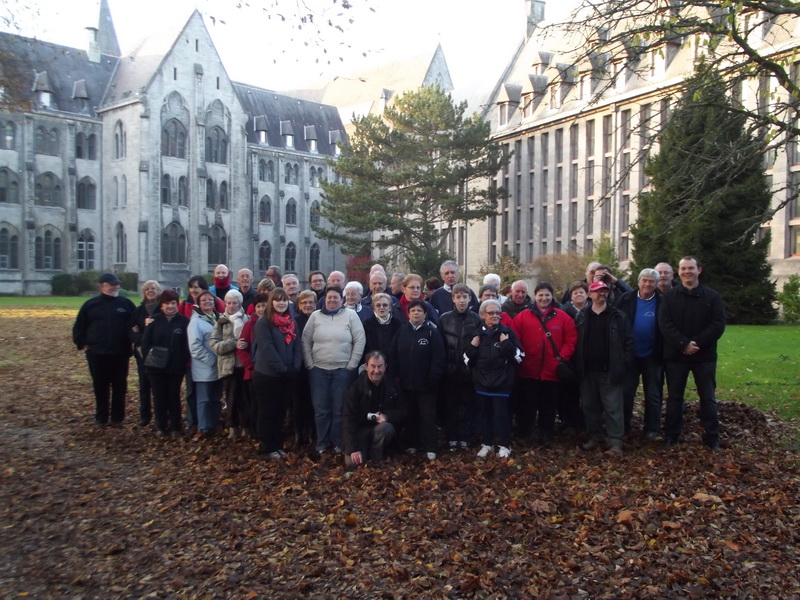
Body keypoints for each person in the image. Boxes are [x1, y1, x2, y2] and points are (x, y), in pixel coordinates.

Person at [658, 256, 726, 450]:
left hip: (704, 356)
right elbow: (665, 323)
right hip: (676, 355)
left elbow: (718, 324)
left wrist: (696, 343)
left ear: (699, 270)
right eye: (683, 268)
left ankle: (712, 436)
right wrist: (683, 343)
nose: (687, 271)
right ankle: (671, 435)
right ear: (678, 272)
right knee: (674, 398)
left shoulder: (712, 296)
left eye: (691, 268)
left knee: (708, 398)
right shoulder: (670, 297)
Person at [302, 286, 366, 455]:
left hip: (342, 371)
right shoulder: (315, 317)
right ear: (325, 299)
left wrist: (351, 365)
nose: (332, 301)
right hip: (319, 371)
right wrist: (310, 364)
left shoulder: (350, 316)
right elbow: (305, 341)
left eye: (336, 298)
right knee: (321, 409)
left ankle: (338, 442)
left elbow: (360, 340)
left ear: (341, 299)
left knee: (339, 409)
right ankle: (322, 442)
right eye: (329, 297)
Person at [511, 281, 577, 445]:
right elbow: (515, 338)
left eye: (547, 295)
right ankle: (525, 434)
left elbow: (571, 339)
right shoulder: (523, 316)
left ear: (552, 296)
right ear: (535, 296)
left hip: (552, 370)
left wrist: (561, 357)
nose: (544, 298)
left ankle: (547, 435)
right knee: (527, 405)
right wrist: (521, 356)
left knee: (548, 406)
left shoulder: (563, 317)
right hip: (528, 369)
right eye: (541, 295)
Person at [573, 281, 634, 455]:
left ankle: (615, 442)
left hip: (610, 370)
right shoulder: (582, 316)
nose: (602, 294)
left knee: (613, 407)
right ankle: (595, 436)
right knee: (589, 406)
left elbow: (629, 342)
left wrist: (624, 363)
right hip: (587, 371)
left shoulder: (618, 316)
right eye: (598, 291)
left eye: (604, 291)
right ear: (590, 294)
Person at [72, 273, 136, 428]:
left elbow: (135, 324)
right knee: (100, 386)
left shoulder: (126, 304)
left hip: (120, 353)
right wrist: (82, 344)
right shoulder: (90, 305)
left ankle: (117, 418)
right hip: (97, 353)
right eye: (112, 284)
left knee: (120, 386)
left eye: (117, 284)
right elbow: (79, 327)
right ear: (101, 286)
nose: (116, 286)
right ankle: (101, 418)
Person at [465, 299, 524, 459]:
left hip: (502, 384)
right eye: (491, 313)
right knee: (484, 415)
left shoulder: (507, 333)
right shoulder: (476, 334)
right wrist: (473, 347)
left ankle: (504, 445)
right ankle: (487, 444)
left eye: (498, 312)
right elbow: (467, 360)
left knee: (501, 416)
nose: (495, 315)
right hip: (482, 383)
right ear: (483, 315)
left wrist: (506, 344)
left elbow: (519, 358)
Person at [388, 299, 445, 460]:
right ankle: (413, 444)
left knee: (427, 416)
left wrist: (433, 377)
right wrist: (395, 376)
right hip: (405, 384)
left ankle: (430, 447)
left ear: (425, 314)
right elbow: (392, 355)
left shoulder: (431, 332)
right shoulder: (402, 331)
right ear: (408, 314)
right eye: (413, 311)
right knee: (410, 415)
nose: (416, 313)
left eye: (419, 311)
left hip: (427, 385)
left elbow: (439, 358)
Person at [253, 288, 303, 459]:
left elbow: (297, 346)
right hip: (267, 376)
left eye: (284, 300)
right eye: (277, 300)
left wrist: (295, 367)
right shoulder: (263, 323)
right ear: (271, 302)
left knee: (281, 411)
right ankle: (267, 445)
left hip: (287, 375)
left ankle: (277, 443)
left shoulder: (292, 322)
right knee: (268, 411)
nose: (281, 303)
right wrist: (284, 369)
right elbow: (268, 349)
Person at [615, 268, 664, 438]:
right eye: (645, 280)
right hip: (630, 355)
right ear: (639, 281)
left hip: (653, 354)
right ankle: (624, 427)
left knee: (653, 394)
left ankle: (652, 428)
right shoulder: (626, 299)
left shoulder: (662, 301)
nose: (647, 284)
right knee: (626, 392)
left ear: (657, 284)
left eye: (652, 281)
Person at [343, 351, 408, 469]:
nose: (376, 371)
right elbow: (348, 419)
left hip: (380, 431)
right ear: (366, 367)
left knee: (386, 427)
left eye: (380, 366)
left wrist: (387, 416)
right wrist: (353, 449)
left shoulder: (392, 385)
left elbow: (404, 410)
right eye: (373, 366)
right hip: (360, 431)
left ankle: (376, 456)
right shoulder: (356, 387)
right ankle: (364, 452)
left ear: (385, 367)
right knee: (352, 464)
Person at [140, 289, 190, 437]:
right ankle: (161, 425)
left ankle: (175, 426)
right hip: (155, 367)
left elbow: (188, 345)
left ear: (177, 304)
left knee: (173, 396)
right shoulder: (153, 321)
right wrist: (151, 357)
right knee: (159, 396)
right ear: (161, 305)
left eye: (173, 303)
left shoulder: (184, 322)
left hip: (175, 367)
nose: (170, 306)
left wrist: (182, 359)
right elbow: (145, 343)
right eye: (167, 303)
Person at [439, 283, 482, 450]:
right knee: (450, 404)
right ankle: (452, 437)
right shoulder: (444, 319)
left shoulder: (476, 319)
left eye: (465, 297)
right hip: (449, 370)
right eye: (458, 297)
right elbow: (441, 345)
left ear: (470, 299)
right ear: (453, 299)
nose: (461, 300)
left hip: (468, 370)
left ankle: (464, 436)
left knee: (466, 404)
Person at [210, 289, 249, 440]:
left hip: (244, 366)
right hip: (228, 366)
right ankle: (232, 426)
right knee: (231, 399)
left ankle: (246, 425)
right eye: (229, 303)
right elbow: (215, 345)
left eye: (235, 303)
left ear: (240, 303)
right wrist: (234, 343)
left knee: (245, 398)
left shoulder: (246, 319)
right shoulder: (221, 322)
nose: (232, 306)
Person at [187, 290, 223, 441]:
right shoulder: (196, 321)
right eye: (204, 301)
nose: (208, 302)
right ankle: (203, 427)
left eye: (210, 300)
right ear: (199, 304)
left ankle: (214, 424)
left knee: (216, 397)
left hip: (219, 366)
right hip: (204, 367)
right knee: (204, 398)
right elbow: (194, 346)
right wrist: (211, 359)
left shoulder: (219, 318)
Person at [236, 292, 269, 438]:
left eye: (264, 305)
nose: (262, 309)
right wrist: (250, 365)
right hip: (253, 372)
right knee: (255, 404)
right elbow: (241, 349)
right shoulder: (250, 325)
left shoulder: (275, 323)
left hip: (270, 372)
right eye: (259, 306)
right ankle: (255, 430)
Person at [129, 279, 162, 426]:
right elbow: (130, 331)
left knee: (159, 386)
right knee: (144, 386)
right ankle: (145, 416)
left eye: (153, 288)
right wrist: (141, 336)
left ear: (158, 291)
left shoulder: (163, 309)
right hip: (142, 353)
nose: (150, 291)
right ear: (144, 292)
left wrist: (142, 330)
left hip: (159, 352)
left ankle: (160, 416)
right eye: (147, 288)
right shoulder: (138, 311)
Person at [292, 290, 318, 447]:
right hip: (298, 368)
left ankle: (311, 432)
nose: (307, 305)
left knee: (312, 403)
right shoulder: (294, 322)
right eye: (304, 303)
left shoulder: (319, 320)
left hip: (316, 367)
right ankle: (298, 433)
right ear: (299, 305)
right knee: (297, 403)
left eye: (310, 302)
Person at [362, 292, 403, 362]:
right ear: (373, 308)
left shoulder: (398, 323)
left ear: (390, 307)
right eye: (378, 305)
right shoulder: (367, 324)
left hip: (393, 362)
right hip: (374, 363)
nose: (381, 308)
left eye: (385, 305)